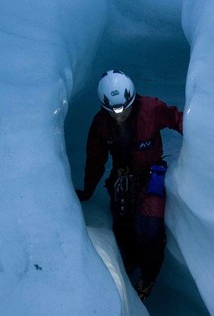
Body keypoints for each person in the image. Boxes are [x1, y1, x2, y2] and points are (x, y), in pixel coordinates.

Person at [76, 69, 183, 302]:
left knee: (151, 225)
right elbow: (95, 159)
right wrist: (88, 190)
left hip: (152, 171)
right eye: (114, 111)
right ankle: (128, 261)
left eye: (125, 107)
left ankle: (147, 276)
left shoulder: (151, 109)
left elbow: (177, 119)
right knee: (123, 220)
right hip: (122, 175)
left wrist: (206, 145)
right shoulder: (101, 124)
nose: (120, 114)